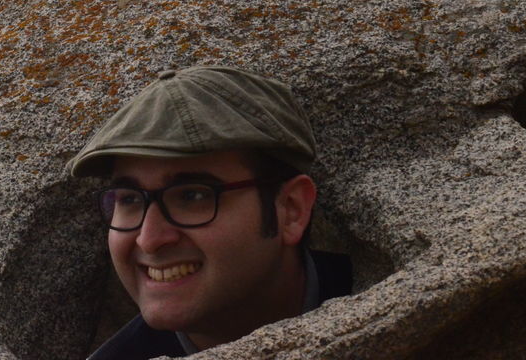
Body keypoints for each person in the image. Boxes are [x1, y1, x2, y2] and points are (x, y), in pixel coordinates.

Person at [68, 65, 352, 359]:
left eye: (192, 196)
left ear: (291, 209)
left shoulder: (380, 293)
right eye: (129, 200)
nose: (149, 239)